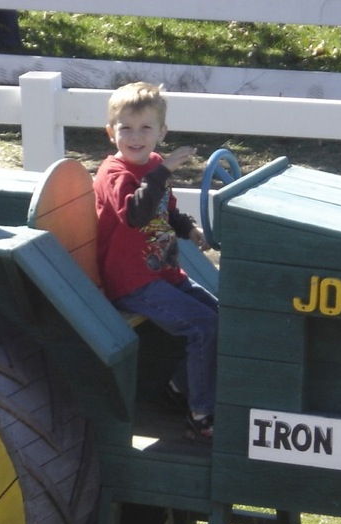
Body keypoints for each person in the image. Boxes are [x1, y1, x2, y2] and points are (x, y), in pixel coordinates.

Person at [94, 81, 218, 440]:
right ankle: (200, 414)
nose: (135, 136)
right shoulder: (115, 174)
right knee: (202, 326)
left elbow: (166, 209)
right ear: (110, 133)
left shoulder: (153, 165)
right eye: (126, 128)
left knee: (221, 317)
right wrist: (161, 173)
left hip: (162, 273)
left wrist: (188, 227)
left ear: (161, 132)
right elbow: (135, 213)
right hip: (132, 283)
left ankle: (179, 388)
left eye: (145, 128)